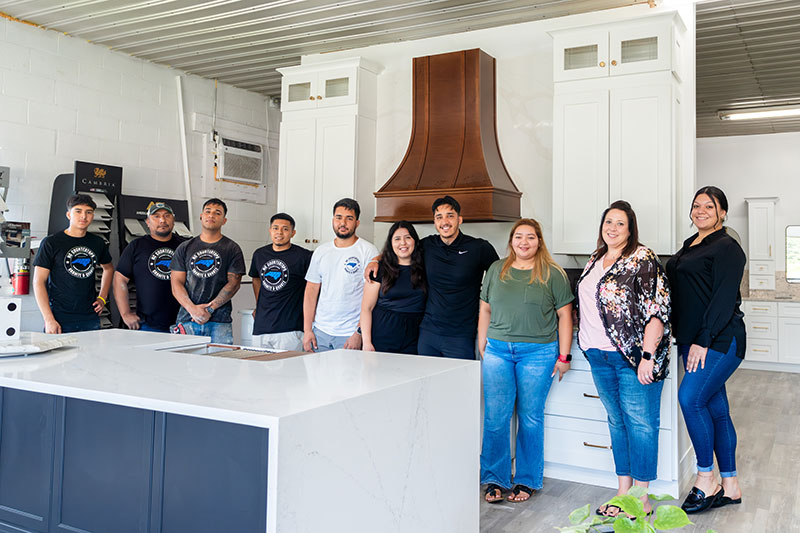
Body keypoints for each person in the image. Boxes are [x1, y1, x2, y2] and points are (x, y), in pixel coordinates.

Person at [575, 200, 671, 519]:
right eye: (608, 222)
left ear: (630, 229)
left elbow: (658, 310)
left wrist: (647, 356)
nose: (612, 228)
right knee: (617, 422)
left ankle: (640, 499)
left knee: (641, 424)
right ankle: (622, 491)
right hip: (597, 355)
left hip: (630, 357)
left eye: (620, 223)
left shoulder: (642, 258)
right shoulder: (595, 259)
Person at [478, 218, 573, 504]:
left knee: (530, 418)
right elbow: (484, 308)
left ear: (539, 241)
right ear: (511, 241)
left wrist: (564, 356)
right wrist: (482, 341)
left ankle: (526, 480)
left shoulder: (552, 273)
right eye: (518, 237)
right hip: (497, 350)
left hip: (539, 353)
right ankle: (494, 478)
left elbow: (565, 316)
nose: (523, 242)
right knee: (496, 418)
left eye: (530, 237)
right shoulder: (497, 269)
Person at [666, 186, 746, 514]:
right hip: (692, 339)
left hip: (719, 340)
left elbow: (724, 298)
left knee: (690, 398)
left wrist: (703, 338)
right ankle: (731, 486)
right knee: (716, 409)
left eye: (709, 206)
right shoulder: (690, 246)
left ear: (722, 212)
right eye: (696, 206)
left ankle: (705, 478)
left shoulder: (727, 247)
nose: (701, 211)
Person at [365, 196, 498, 359]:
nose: (445, 221)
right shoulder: (428, 245)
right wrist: (375, 260)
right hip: (427, 334)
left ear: (460, 219)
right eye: (439, 217)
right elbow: (402, 248)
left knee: (459, 383)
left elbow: (500, 276)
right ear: (434, 222)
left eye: (450, 215)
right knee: (425, 382)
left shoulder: (479, 248)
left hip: (460, 336)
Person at [302, 198, 379, 352]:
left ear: (357, 223)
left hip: (349, 335)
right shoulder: (321, 251)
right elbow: (311, 292)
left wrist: (358, 333)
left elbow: (371, 300)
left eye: (349, 218)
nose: (343, 223)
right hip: (320, 333)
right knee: (317, 376)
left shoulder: (368, 251)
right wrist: (308, 330)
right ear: (333, 220)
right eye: (338, 217)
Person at [33, 194, 114, 333]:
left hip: (89, 315)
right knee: (60, 355)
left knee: (93, 354)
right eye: (78, 211)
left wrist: (102, 297)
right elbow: (38, 282)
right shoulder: (51, 243)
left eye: (88, 212)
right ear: (69, 215)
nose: (84, 216)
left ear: (93, 216)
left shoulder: (97, 243)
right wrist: (49, 319)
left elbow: (109, 268)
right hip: (59, 316)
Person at [170, 198, 245, 344]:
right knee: (184, 365)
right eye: (208, 211)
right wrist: (193, 310)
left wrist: (209, 310)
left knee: (220, 363)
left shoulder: (232, 248)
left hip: (219, 322)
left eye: (217, 213)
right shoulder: (185, 247)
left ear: (224, 220)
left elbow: (234, 284)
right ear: (201, 216)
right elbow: (176, 284)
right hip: (187, 319)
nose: (211, 215)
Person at [113, 201, 186, 333]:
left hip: (183, 323)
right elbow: (120, 279)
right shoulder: (136, 246)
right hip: (148, 324)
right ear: (147, 222)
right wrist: (125, 313)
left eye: (166, 215)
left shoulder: (184, 247)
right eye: (156, 216)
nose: (162, 220)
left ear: (173, 220)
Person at [360, 221, 426, 354]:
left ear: (415, 241)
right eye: (397, 239)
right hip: (382, 334)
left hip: (414, 337)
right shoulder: (379, 269)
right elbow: (366, 308)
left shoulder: (425, 267)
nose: (403, 243)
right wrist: (366, 342)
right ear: (391, 243)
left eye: (407, 237)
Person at [249, 213, 312, 351]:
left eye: (285, 229)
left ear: (292, 233)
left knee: (288, 371)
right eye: (275, 228)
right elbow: (256, 278)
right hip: (261, 327)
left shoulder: (304, 256)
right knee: (259, 370)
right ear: (270, 230)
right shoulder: (259, 254)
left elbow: (313, 288)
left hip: (290, 329)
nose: (279, 232)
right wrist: (259, 305)